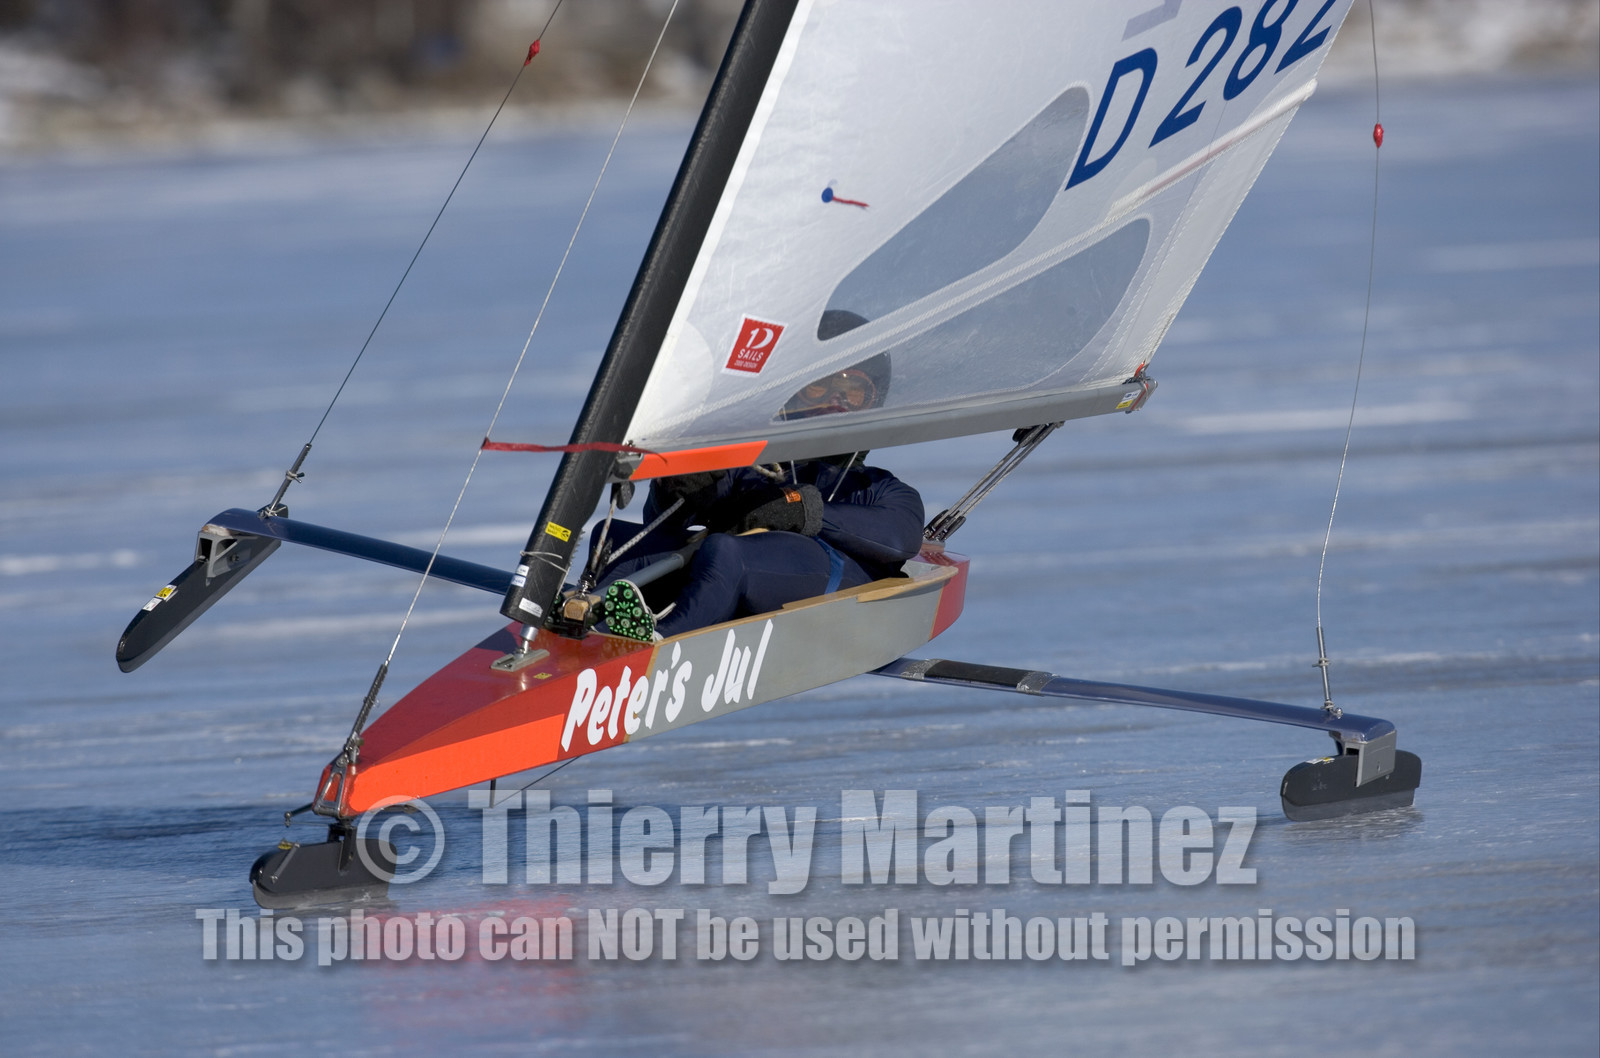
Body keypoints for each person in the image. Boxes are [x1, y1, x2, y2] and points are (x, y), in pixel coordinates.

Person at [591, 454, 924, 640]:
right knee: (614, 538)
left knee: (725, 551)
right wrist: (678, 490)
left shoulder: (885, 489)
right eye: (818, 392)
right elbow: (661, 521)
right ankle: (585, 613)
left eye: (852, 393)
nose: (834, 401)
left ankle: (664, 637)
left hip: (836, 571)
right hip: (719, 565)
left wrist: (806, 511)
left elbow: (900, 539)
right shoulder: (759, 466)